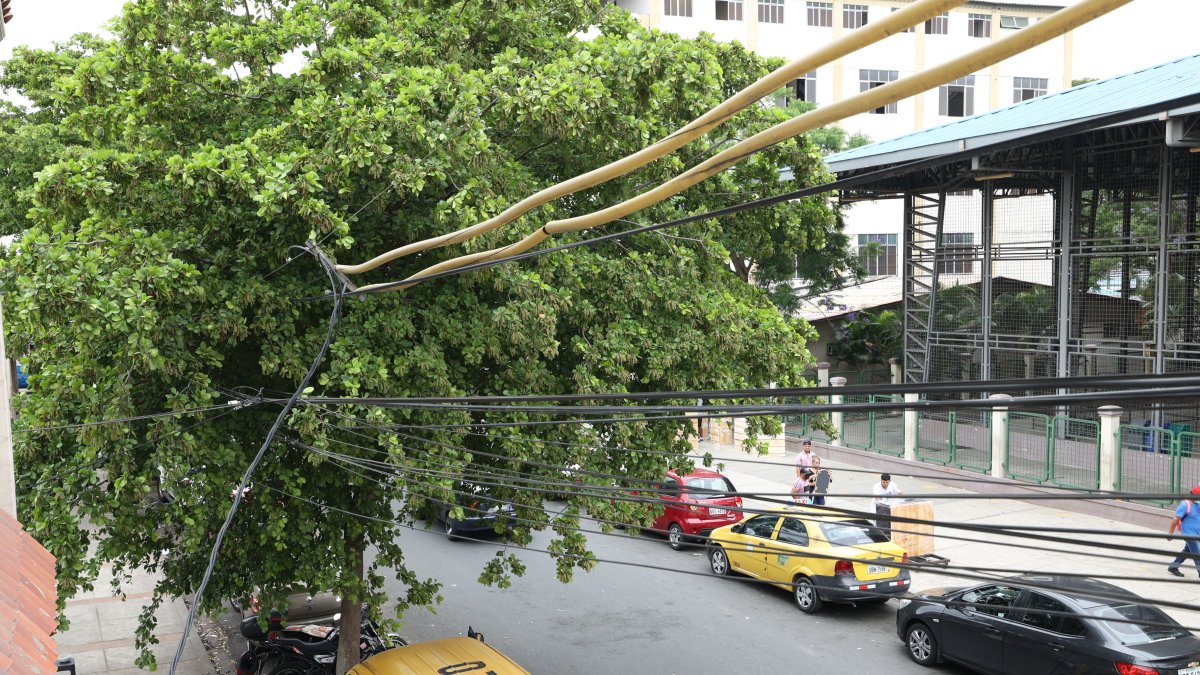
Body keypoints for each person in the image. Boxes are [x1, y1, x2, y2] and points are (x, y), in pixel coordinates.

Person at [1166, 486, 1200, 577]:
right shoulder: (1185, 504)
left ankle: (1173, 567)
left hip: (1197, 533)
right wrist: (1170, 533)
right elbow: (1175, 519)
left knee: (1187, 551)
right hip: (1189, 534)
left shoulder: (1198, 504)